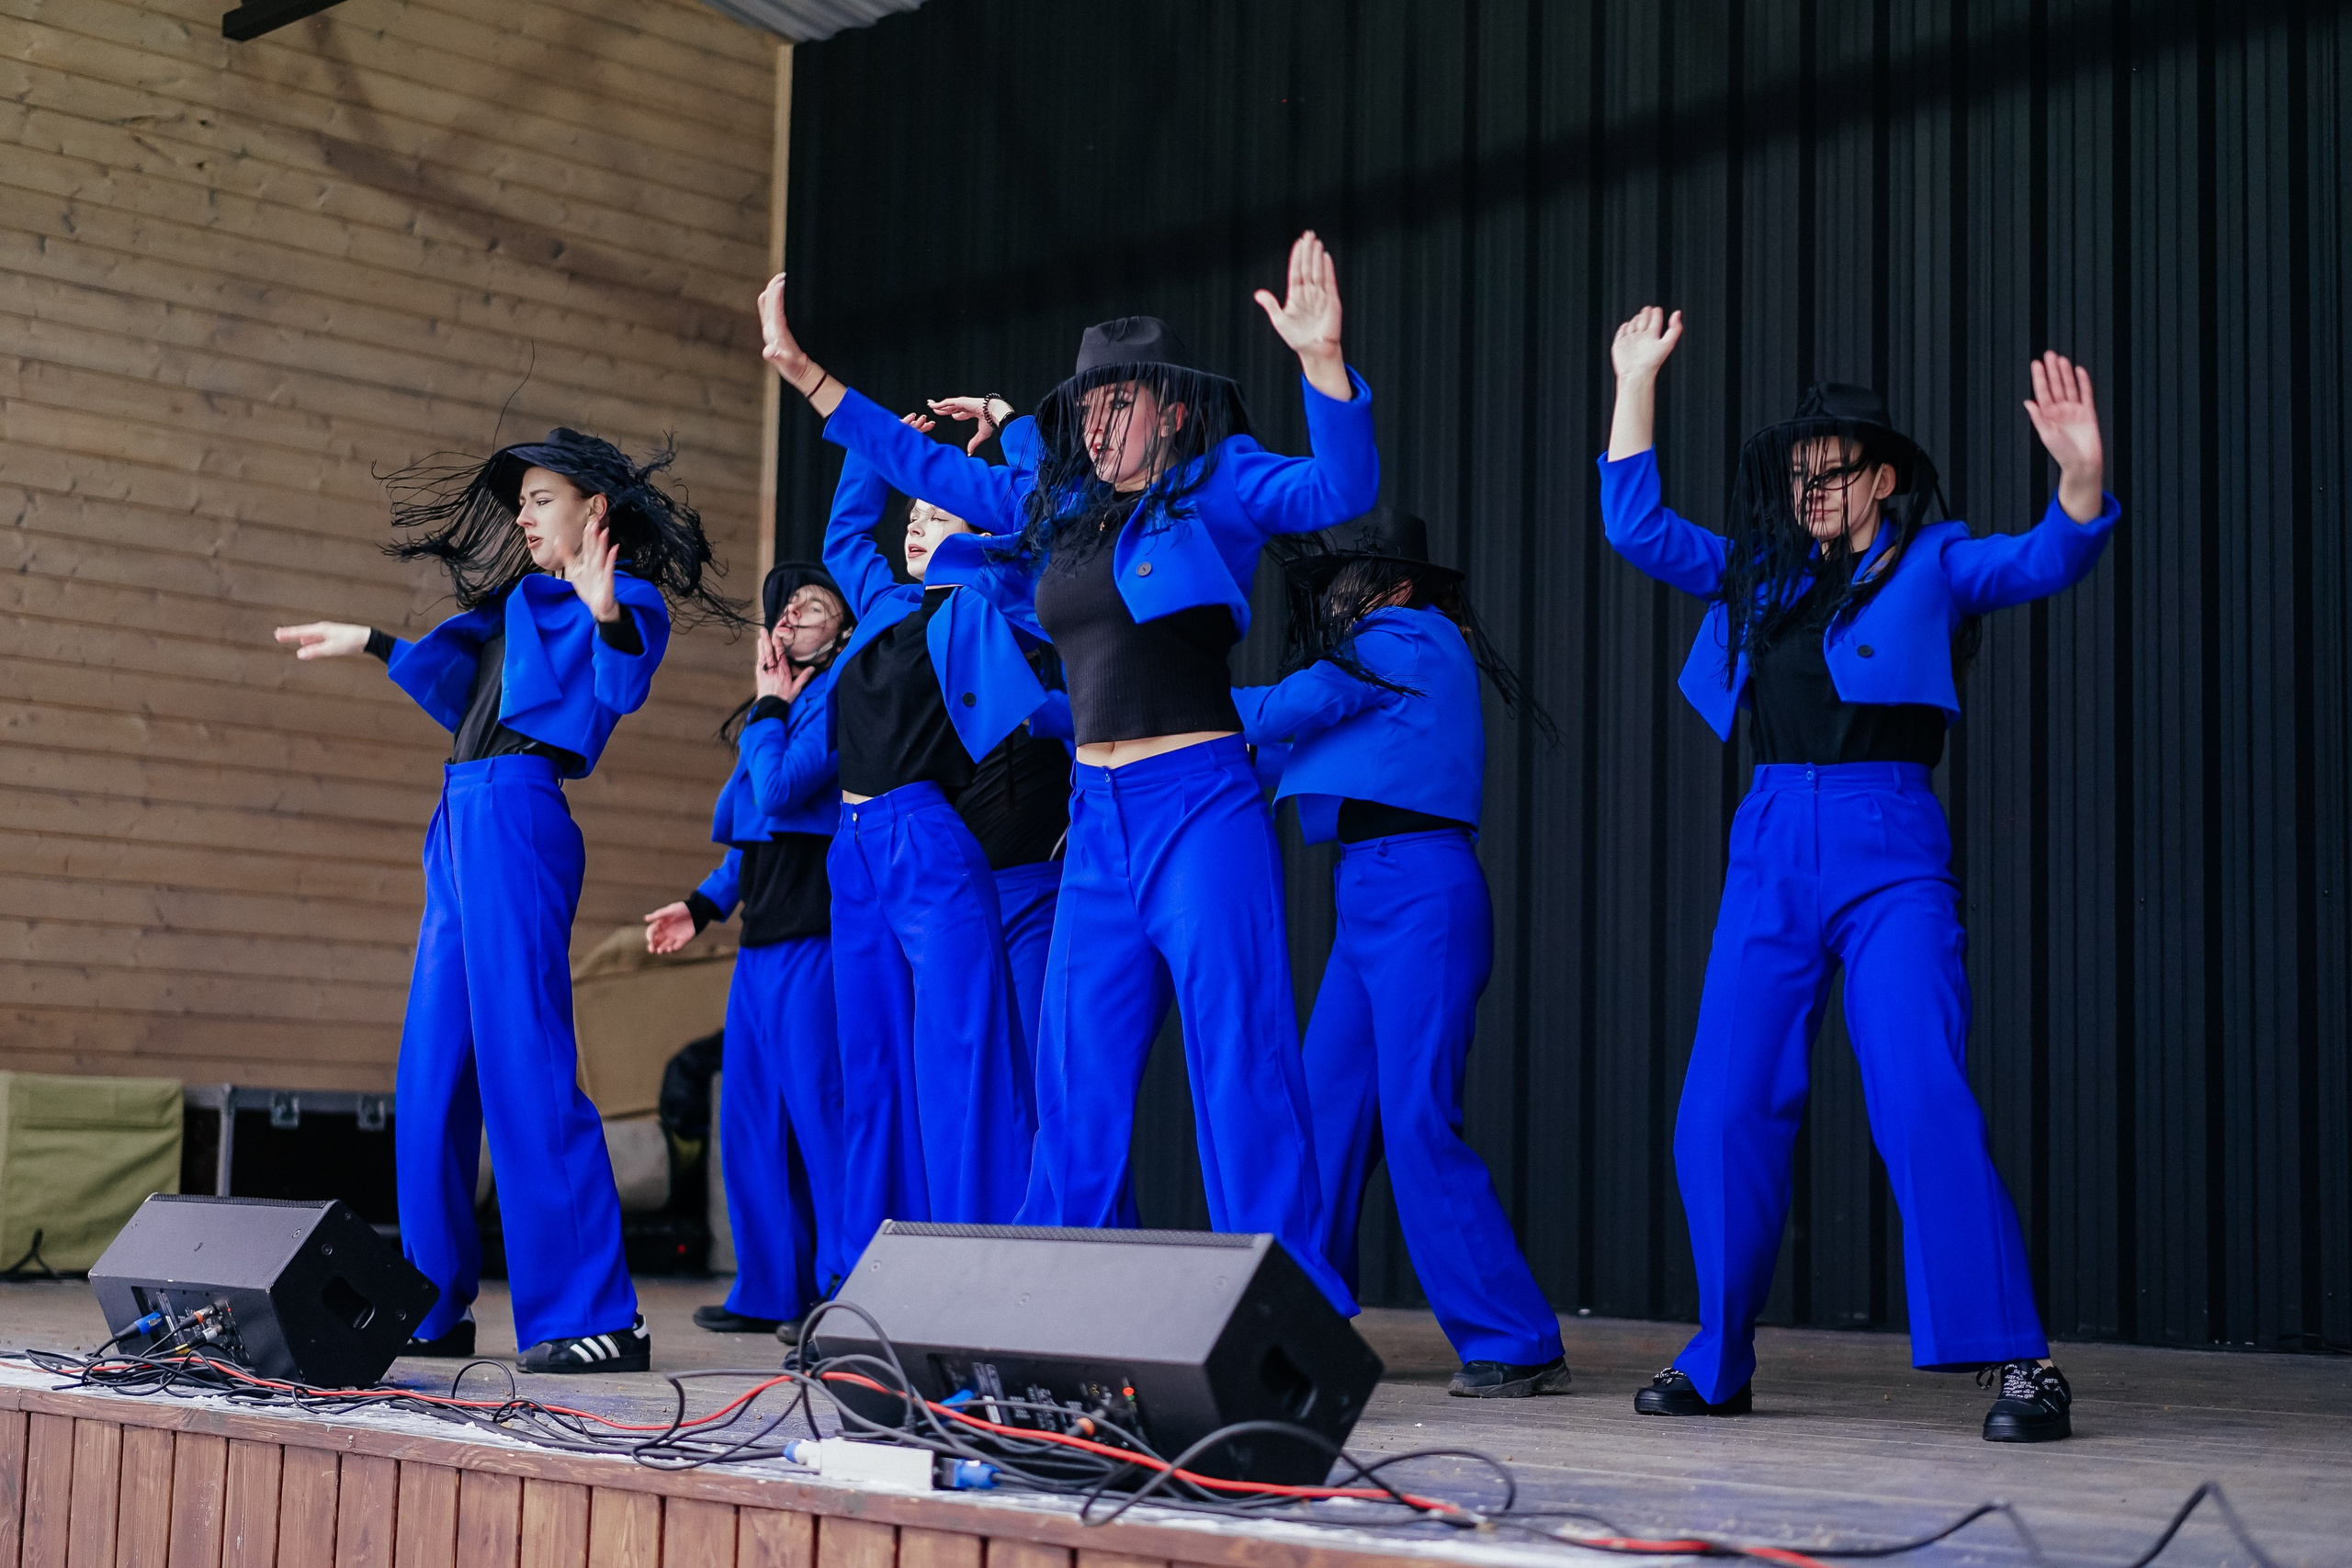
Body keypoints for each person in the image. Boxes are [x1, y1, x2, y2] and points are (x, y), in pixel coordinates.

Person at [754, 231, 1377, 1314]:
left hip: (1198, 804)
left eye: (1117, 405)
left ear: (1172, 410)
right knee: (1076, 1076)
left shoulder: (1219, 484)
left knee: (1239, 1065)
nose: (1095, 426)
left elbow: (1337, 482)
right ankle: (1057, 1315)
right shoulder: (1054, 512)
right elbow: (934, 471)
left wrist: (1323, 368)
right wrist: (813, 382)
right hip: (1097, 821)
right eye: (1084, 410)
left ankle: (1290, 1314)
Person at [1599, 307, 2118, 1442]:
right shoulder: (1760, 574)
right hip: (1771, 846)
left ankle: (2019, 1361)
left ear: (1882, 478)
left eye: (1836, 471)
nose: (1815, 487)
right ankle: (1719, 1356)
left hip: (1889, 853)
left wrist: (2079, 483)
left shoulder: (1935, 558)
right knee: (1719, 1110)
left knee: (1920, 1089)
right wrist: (1634, 382)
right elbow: (1636, 527)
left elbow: (2044, 557)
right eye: (1802, 472)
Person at [275, 427, 738, 1373]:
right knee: (432, 1074)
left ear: (592, 511)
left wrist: (605, 613)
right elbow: (466, 699)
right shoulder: (518, 608)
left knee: (524, 1065)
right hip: (461, 818)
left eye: (539, 498)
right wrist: (369, 641)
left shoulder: (623, 600)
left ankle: (589, 1314)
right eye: (519, 501)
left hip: (521, 817)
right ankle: (431, 1302)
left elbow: (619, 684)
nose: (521, 515)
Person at [1233, 507, 1568, 1397]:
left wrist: (1166, 704)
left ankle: (1517, 1338)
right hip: (1370, 895)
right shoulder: (1370, 668)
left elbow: (1282, 711)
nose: (1338, 590)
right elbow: (1269, 749)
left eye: (1354, 574)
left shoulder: (1406, 640)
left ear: (1398, 583)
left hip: (1422, 890)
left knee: (1416, 1114)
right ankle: (1303, 1323)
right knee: (1324, 1112)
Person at [816, 425, 1049, 1247]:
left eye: (939, 513)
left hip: (926, 839)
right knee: (872, 1067)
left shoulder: (986, 601)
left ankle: (987, 1263)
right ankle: (864, 1278)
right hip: (852, 850)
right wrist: (876, 447)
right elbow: (845, 534)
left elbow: (1037, 521)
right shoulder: (884, 604)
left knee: (964, 1060)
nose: (916, 524)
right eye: (912, 512)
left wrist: (1002, 428)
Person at [643, 563, 854, 1338]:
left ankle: (842, 1286)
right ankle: (769, 1288)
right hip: (760, 947)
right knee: (751, 1121)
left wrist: (770, 706)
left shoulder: (834, 692)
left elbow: (783, 793)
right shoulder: (776, 706)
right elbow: (750, 844)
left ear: (841, 627)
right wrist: (700, 907)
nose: (800, 612)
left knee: (820, 1116)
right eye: (789, 604)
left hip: (816, 940)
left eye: (818, 604)